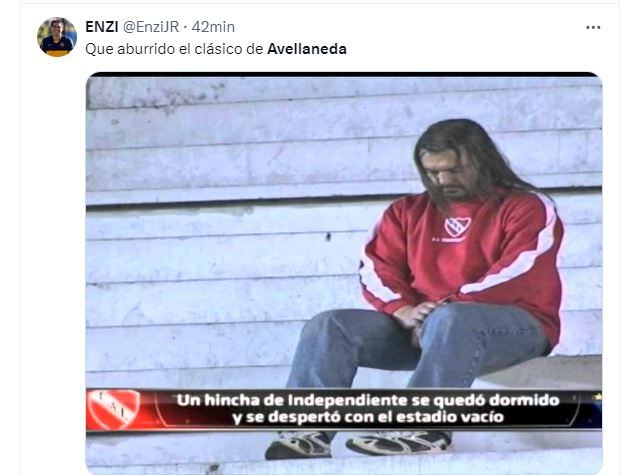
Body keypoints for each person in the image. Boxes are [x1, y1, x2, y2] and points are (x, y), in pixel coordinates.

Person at [265, 118, 563, 459]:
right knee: (329, 325)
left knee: (454, 319)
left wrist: (443, 309)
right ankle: (306, 432)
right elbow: (376, 267)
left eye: (455, 170)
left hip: (514, 328)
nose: (444, 180)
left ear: (482, 159)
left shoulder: (527, 206)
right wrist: (402, 310)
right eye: (433, 172)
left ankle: (422, 429)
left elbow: (519, 268)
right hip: (423, 329)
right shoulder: (405, 211)